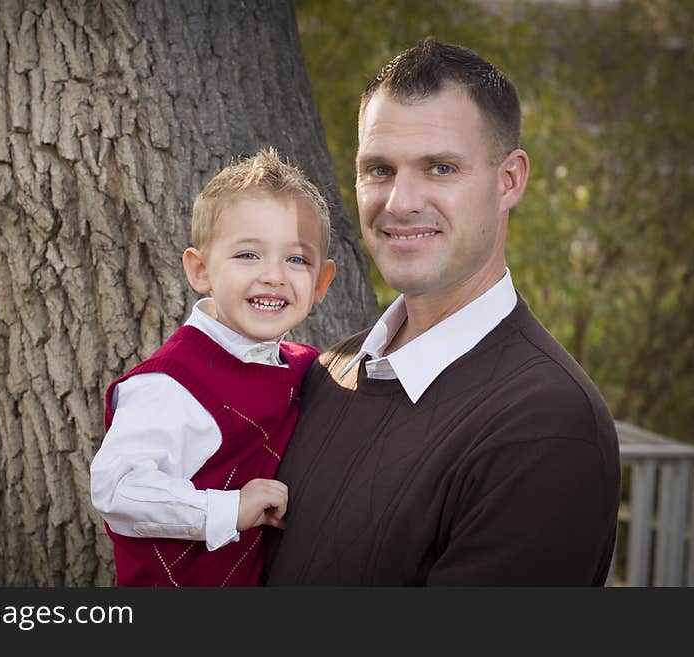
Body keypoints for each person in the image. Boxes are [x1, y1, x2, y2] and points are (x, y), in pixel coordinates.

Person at [264, 37, 621, 586]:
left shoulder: (547, 428)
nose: (400, 202)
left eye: (441, 169)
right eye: (379, 170)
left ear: (509, 181)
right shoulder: (326, 372)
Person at [90, 148, 336, 586]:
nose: (274, 275)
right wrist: (225, 508)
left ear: (320, 283)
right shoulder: (171, 384)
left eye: (296, 259)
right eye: (248, 255)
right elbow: (116, 489)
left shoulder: (306, 369)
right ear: (201, 271)